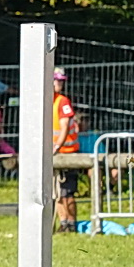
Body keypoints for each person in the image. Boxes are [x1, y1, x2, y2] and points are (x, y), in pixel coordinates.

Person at [52, 67, 80, 231]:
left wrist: (56, 146)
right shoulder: (51, 100)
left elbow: (64, 127)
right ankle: (64, 222)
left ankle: (71, 223)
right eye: (57, 80)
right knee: (57, 191)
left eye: (61, 81)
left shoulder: (62, 101)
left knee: (67, 191)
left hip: (67, 153)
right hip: (57, 152)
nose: (60, 84)